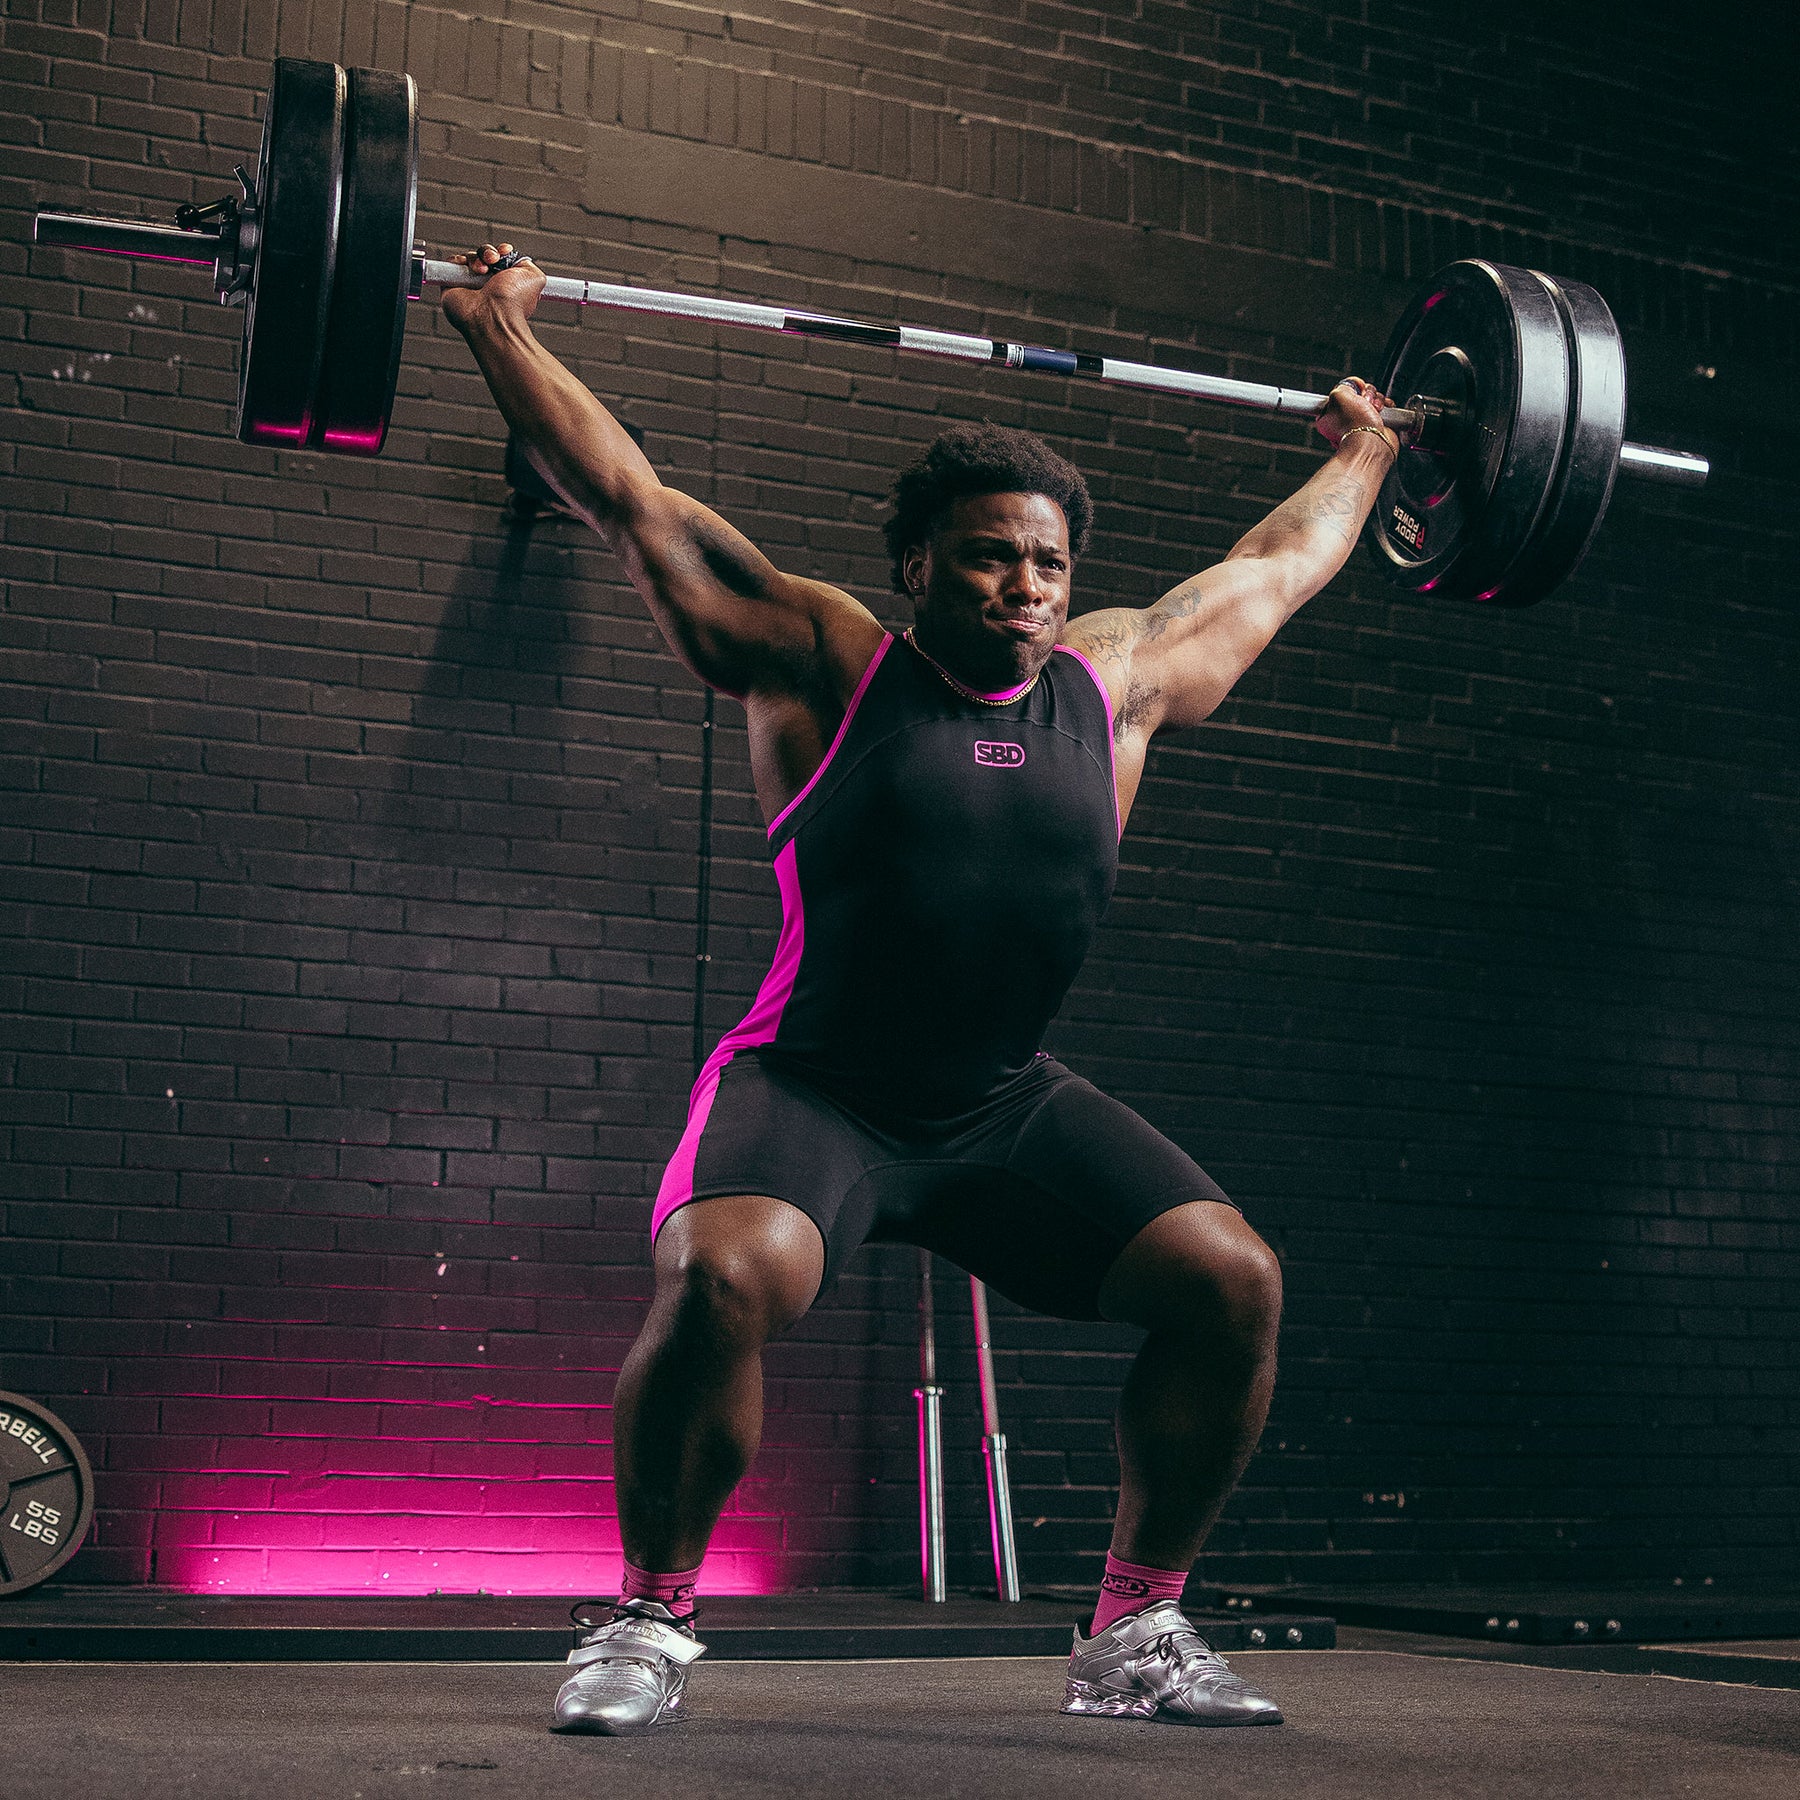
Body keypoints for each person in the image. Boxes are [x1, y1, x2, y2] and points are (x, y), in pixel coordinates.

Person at [445, 243, 1400, 1736]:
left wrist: (1375, 452)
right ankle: (648, 1617)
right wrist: (496, 326)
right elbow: (636, 504)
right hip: (812, 1087)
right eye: (988, 556)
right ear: (918, 567)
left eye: (1047, 563)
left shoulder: (1116, 685)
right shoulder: (825, 664)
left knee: (1233, 1283)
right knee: (722, 1279)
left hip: (1000, 1106)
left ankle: (1134, 1631)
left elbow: (1276, 567)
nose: (1023, 586)